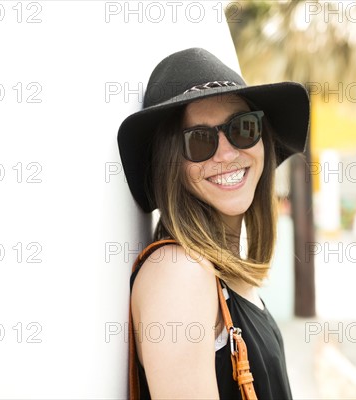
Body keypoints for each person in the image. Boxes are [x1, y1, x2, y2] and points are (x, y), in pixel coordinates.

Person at [117, 47, 310, 399]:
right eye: (200, 140)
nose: (226, 153)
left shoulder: (221, 272)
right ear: (169, 163)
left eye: (242, 128)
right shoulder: (179, 272)